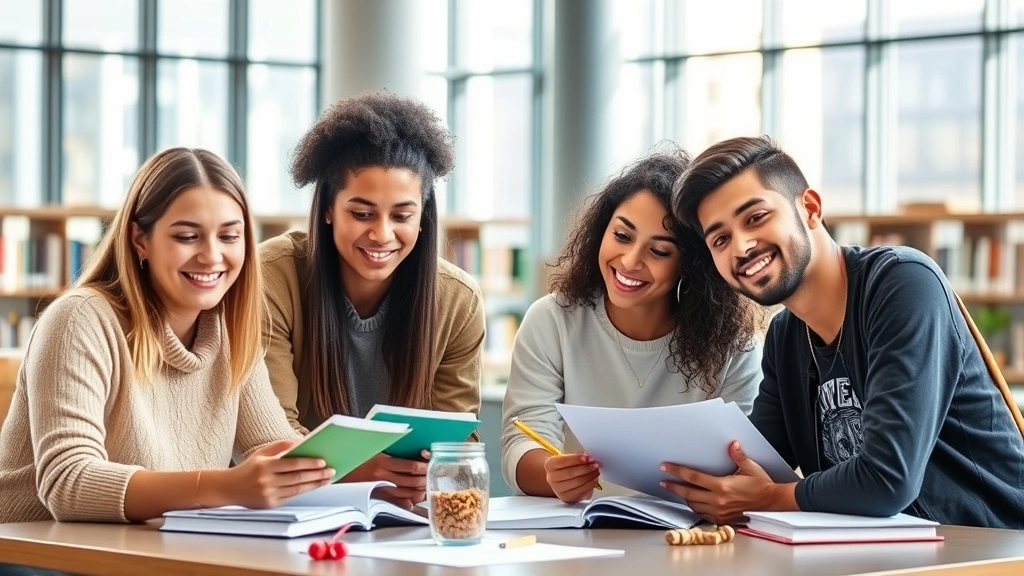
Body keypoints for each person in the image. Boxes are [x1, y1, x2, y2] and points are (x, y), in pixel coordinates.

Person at [667, 135, 1024, 528]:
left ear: (810, 209)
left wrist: (771, 497)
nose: (742, 246)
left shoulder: (902, 285)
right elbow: (745, 464)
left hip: (990, 549)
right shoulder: (787, 337)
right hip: (885, 554)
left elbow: (888, 480)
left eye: (755, 218)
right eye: (720, 239)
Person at [0, 148, 332, 528]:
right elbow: (68, 483)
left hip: (149, 549)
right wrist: (227, 486)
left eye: (229, 236)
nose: (212, 256)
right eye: (188, 236)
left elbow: (268, 447)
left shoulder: (230, 331)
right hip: (35, 551)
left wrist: (353, 471)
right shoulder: (81, 319)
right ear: (140, 239)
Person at [501, 144, 764, 503]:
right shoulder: (551, 321)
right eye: (622, 236)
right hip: (580, 535)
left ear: (692, 265)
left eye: (659, 251)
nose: (629, 260)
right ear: (601, 231)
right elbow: (521, 444)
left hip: (692, 536)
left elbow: (744, 463)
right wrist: (553, 476)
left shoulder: (734, 344)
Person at [260, 90, 485, 510]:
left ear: (423, 216)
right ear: (328, 208)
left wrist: (430, 471)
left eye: (402, 215)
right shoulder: (272, 277)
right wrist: (357, 469)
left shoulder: (457, 300)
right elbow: (270, 432)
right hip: (295, 510)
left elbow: (459, 436)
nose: (382, 234)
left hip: (404, 515)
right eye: (362, 213)